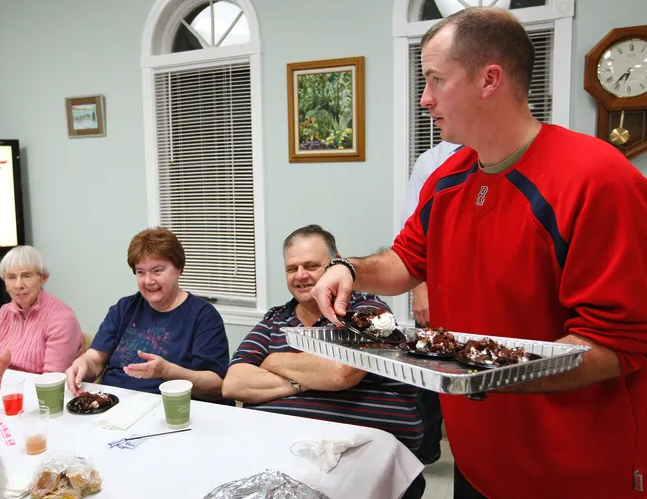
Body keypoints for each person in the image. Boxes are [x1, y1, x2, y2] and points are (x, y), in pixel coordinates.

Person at [312, 8, 647, 499]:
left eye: (435, 80)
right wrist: (348, 269)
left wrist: (478, 373)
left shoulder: (598, 179)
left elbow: (619, 344)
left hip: (573, 471)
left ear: (490, 79)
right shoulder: (448, 178)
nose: (424, 99)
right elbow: (406, 261)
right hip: (475, 461)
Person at [222, 225, 426, 498]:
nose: (301, 275)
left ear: (335, 264)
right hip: (281, 453)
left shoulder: (367, 310)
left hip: (361, 456)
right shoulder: (274, 320)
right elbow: (234, 383)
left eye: (311, 265)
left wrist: (272, 360)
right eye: (292, 268)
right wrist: (303, 380)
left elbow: (341, 373)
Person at [65, 227, 230, 402]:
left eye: (157, 271)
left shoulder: (203, 316)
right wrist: (81, 365)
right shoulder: (124, 308)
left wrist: (167, 371)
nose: (148, 281)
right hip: (114, 405)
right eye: (140, 272)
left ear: (178, 269)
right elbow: (95, 359)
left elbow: (215, 386)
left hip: (168, 409)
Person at [402, 141, 461, 465]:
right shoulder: (432, 161)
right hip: (436, 283)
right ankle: (427, 446)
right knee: (430, 366)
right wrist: (420, 290)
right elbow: (411, 233)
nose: (428, 100)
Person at [0, 246, 82, 374]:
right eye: (11, 277)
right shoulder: (3, 313)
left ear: (43, 278)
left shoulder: (62, 318)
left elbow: (52, 379)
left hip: (42, 391)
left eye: (27, 276)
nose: (18, 285)